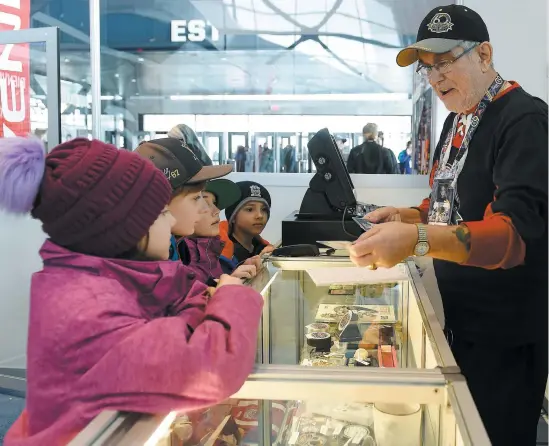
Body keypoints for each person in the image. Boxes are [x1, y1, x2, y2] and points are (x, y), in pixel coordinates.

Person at [349, 5, 547, 445]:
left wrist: (417, 238)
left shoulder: (523, 119)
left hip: (504, 335)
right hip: (456, 320)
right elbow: (448, 202)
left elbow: (513, 235)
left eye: (446, 61)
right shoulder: (457, 120)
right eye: (427, 69)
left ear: (484, 54)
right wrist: (409, 215)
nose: (435, 78)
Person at [0, 137, 264, 445]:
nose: (170, 219)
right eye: (160, 212)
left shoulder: (129, 277)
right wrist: (231, 297)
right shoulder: (84, 308)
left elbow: (185, 297)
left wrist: (195, 317)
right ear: (125, 227)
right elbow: (210, 370)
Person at [178, 178, 262, 280]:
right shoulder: (178, 260)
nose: (217, 210)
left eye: (214, 203)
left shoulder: (217, 255)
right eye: (201, 201)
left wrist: (238, 269)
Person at [219, 181, 274, 268]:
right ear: (233, 217)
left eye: (264, 210)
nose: (259, 215)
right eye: (250, 209)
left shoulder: (262, 248)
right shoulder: (222, 254)